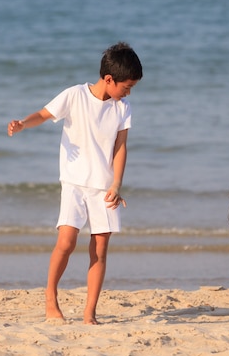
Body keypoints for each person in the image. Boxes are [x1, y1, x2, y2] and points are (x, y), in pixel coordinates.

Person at [8, 42, 143, 324]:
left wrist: (117, 184)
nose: (128, 92)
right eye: (126, 86)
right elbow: (44, 115)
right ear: (109, 79)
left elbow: (121, 147)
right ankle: (50, 298)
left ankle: (89, 311)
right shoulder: (75, 95)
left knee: (100, 250)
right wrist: (23, 123)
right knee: (66, 242)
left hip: (104, 187)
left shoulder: (123, 108)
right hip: (74, 183)